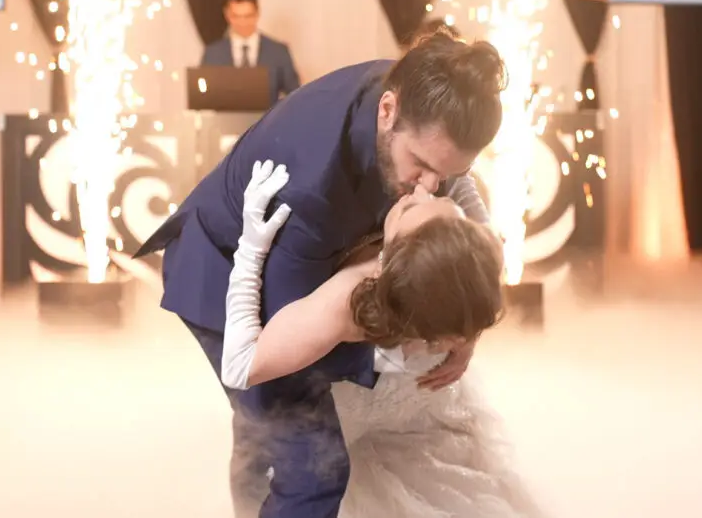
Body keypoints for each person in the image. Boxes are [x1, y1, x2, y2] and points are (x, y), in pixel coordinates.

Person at [136, 30, 506, 518]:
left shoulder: (421, 104)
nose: (429, 190)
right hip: (228, 273)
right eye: (419, 169)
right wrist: (251, 247)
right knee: (313, 469)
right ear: (388, 111)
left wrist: (468, 295)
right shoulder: (305, 190)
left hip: (312, 273)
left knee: (271, 437)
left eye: (445, 175)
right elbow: (257, 356)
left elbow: (459, 192)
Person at [221, 161, 544, 518]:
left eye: (416, 206)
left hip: (371, 409)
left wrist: (251, 244)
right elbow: (463, 203)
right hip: (414, 398)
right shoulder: (465, 270)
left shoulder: (349, 298)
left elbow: (241, 366)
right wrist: (467, 333)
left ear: (400, 248)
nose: (426, 187)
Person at [200, 0, 301, 103]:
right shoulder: (213, 53)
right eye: (236, 16)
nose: (242, 23)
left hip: (267, 120)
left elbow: (295, 96)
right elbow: (203, 99)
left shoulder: (278, 52)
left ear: (257, 13)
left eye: (248, 16)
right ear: (226, 15)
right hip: (224, 121)